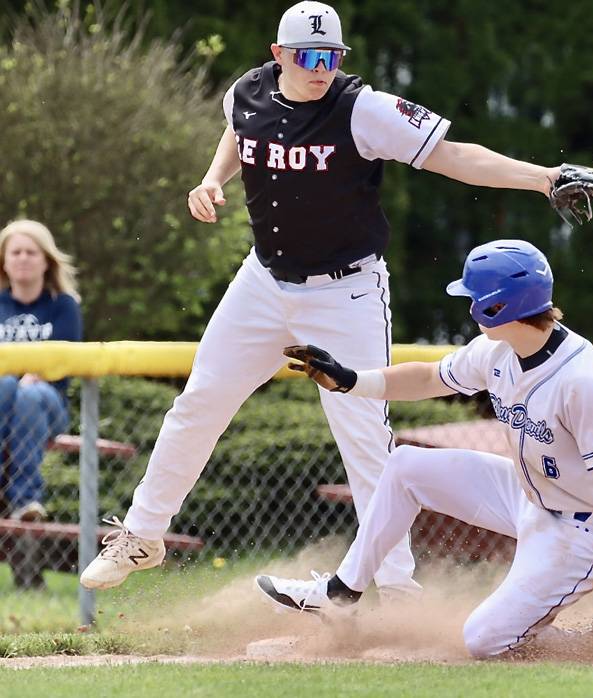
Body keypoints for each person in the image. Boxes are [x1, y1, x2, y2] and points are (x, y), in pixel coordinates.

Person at [80, 1, 562, 592]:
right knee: (199, 403)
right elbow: (237, 132)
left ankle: (393, 587)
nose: (321, 67)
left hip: (346, 291)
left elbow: (454, 157)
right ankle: (143, 535)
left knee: (361, 434)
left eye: (331, 56)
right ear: (277, 55)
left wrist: (545, 178)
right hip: (263, 280)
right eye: (307, 55)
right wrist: (211, 179)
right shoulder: (247, 91)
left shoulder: (362, 109)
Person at [258, 240, 593, 658]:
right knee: (405, 466)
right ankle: (339, 595)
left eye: (472, 297)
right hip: (529, 495)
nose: (466, 304)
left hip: (586, 529)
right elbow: (428, 378)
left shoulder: (582, 380)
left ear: (495, 308)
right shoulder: (498, 349)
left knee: (483, 641)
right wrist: (350, 380)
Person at [0, 220, 82, 522]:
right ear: (4, 262)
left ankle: (25, 502)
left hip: (48, 404)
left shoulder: (63, 305)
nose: (23, 258)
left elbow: (63, 363)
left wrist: (28, 377)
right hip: (2, 395)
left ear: (46, 261)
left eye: (31, 252)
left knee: (29, 395)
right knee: (7, 386)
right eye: (16, 252)